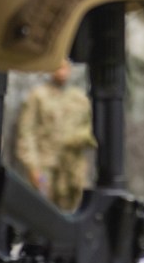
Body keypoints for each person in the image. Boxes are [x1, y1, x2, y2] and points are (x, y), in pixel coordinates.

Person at [15, 60, 97, 210]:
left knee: (72, 212)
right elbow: (26, 133)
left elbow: (93, 131)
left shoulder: (79, 99)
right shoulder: (38, 96)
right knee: (42, 211)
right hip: (46, 166)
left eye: (65, 67)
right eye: (58, 67)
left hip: (72, 167)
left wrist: (78, 138)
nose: (62, 71)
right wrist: (32, 166)